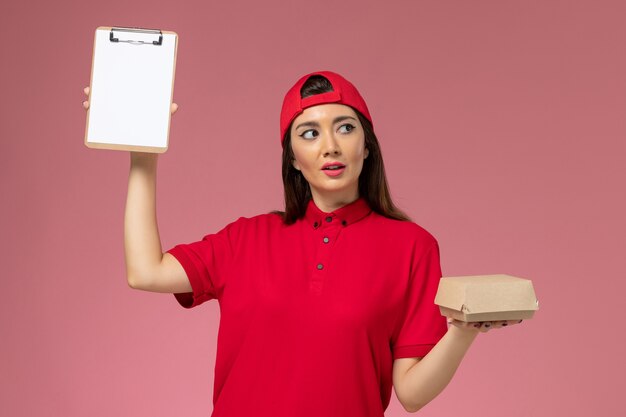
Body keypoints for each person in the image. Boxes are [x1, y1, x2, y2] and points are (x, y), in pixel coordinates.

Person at [82, 70, 521, 416]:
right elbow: (145, 271)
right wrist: (142, 155)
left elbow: (411, 393)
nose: (330, 146)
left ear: (367, 145)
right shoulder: (247, 238)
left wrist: (463, 331)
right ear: (292, 157)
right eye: (309, 133)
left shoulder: (412, 247)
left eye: (344, 128)